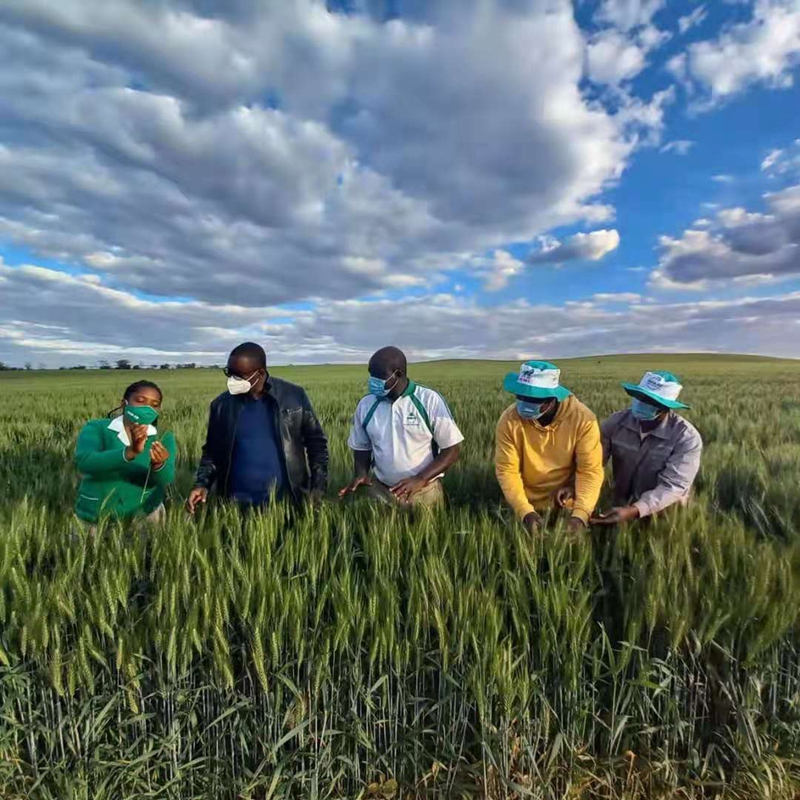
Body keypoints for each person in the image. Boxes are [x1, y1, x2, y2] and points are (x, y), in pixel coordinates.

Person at [186, 342, 328, 514]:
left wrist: (318, 487)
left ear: (260, 373)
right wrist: (202, 484)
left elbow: (317, 445)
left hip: (287, 504)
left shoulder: (294, 397)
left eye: (239, 375)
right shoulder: (222, 405)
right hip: (235, 507)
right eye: (229, 373)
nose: (233, 380)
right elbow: (212, 452)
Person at [339, 346, 464, 507]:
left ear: (398, 374)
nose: (373, 381)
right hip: (382, 492)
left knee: (426, 524)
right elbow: (361, 446)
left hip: (423, 492)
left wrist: (420, 479)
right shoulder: (366, 404)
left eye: (379, 376)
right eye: (371, 375)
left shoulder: (428, 400)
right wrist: (361, 474)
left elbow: (452, 449)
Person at [495, 361, 603, 534]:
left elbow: (589, 471)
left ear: (553, 399)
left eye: (533, 399)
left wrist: (580, 516)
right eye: (520, 396)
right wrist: (524, 511)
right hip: (522, 501)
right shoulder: (509, 420)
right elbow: (507, 470)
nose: (524, 403)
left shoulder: (584, 420)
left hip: (565, 503)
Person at [590, 370, 702, 525]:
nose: (641, 403)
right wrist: (574, 486)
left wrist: (634, 510)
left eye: (649, 400)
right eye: (640, 397)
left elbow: (674, 486)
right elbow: (592, 462)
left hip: (665, 515)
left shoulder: (686, 437)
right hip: (620, 504)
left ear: (665, 407)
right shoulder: (616, 422)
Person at [74, 380, 175, 525]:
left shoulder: (163, 437)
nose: (147, 408)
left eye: (154, 405)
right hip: (96, 514)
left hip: (144, 515)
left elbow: (166, 479)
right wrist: (129, 452)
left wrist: (159, 465)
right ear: (124, 404)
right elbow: (85, 463)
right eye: (140, 401)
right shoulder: (97, 428)